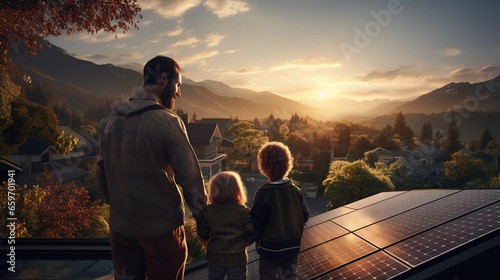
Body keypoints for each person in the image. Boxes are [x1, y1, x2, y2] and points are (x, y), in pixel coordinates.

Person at [97, 56, 207, 280]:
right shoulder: (169, 122)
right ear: (164, 79)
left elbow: (102, 175)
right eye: (178, 85)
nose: (178, 93)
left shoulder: (108, 122)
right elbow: (191, 179)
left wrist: (120, 208)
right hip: (161, 232)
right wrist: (204, 223)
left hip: (121, 230)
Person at [251, 142, 309, 280]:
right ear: (288, 165)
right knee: (290, 276)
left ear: (263, 167)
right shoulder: (296, 190)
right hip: (292, 247)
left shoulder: (264, 193)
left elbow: (255, 223)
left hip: (269, 250)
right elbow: (305, 216)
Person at [197, 171, 258, 280]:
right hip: (237, 258)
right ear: (237, 190)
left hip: (215, 257)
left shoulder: (208, 211)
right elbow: (252, 234)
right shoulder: (243, 211)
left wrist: (206, 241)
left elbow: (203, 233)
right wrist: (244, 244)